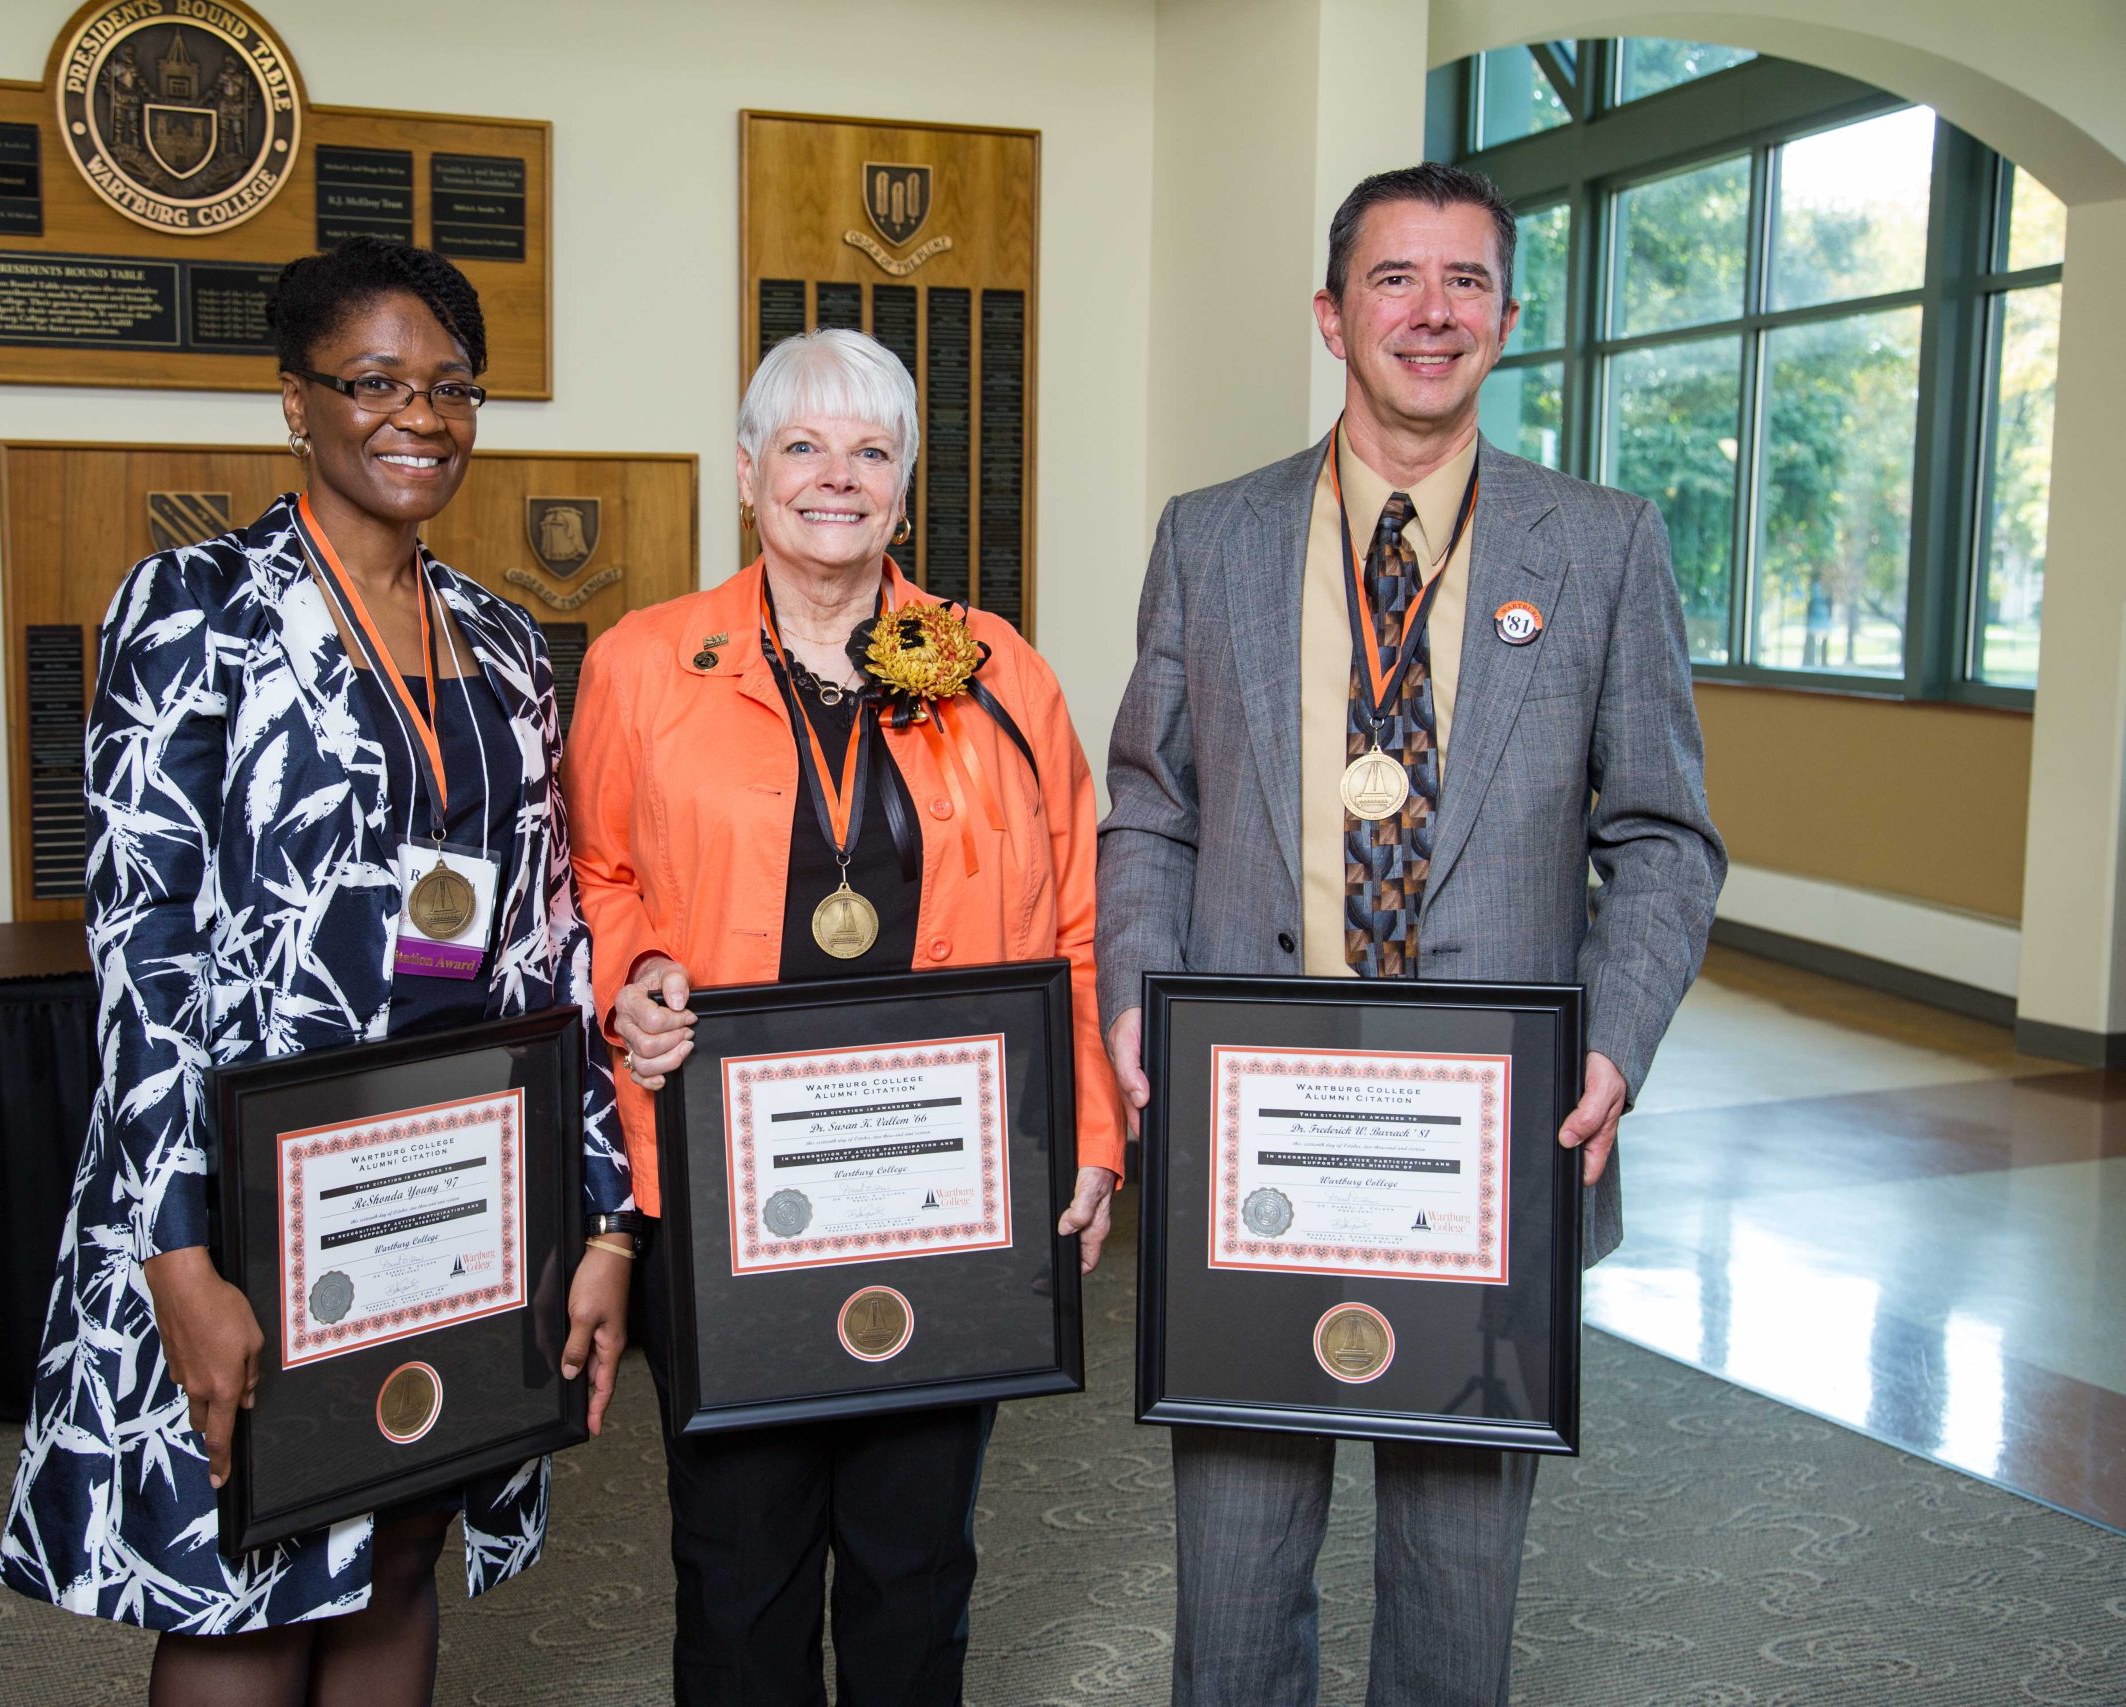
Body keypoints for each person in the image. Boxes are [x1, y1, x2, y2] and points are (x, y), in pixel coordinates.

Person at [1097, 163, 1725, 1705]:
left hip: (1492, 1147)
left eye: (1463, 284)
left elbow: (1661, 837)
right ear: (1332, 315)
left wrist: (1618, 1052)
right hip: (1258, 1139)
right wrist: (1130, 995)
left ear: (1507, 321)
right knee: (1235, 1580)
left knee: (1458, 1584)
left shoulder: (1604, 544)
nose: (1428, 312)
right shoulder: (1212, 536)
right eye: (1393, 279)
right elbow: (1150, 806)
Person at [0, 237, 636, 1706]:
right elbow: (139, 950)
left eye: (453, 388)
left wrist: (599, 1217)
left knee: (401, 1541)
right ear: (297, 404)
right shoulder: (191, 610)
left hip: (449, 1173)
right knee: (249, 1584)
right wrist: (178, 1258)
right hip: (243, 1181)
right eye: (376, 382)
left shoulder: (505, 640)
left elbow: (545, 939)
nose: (420, 416)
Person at [560, 327, 1124, 1706]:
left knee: (917, 1554)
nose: (836, 477)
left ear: (906, 486)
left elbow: (1075, 923)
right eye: (802, 446)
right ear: (747, 471)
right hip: (722, 1190)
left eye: (870, 451)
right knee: (738, 1558)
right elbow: (596, 872)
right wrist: (630, 978)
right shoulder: (642, 664)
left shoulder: (999, 672)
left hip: (946, 1190)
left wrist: (1092, 1131)